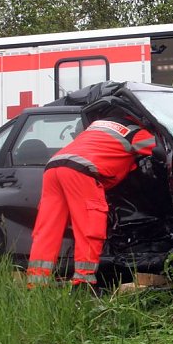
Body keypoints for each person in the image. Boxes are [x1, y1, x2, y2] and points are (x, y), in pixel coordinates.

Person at [26, 115, 159, 290]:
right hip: (81, 171)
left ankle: (36, 283)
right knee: (89, 226)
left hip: (53, 167)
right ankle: (84, 282)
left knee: (47, 228)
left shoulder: (98, 124)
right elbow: (162, 150)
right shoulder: (136, 133)